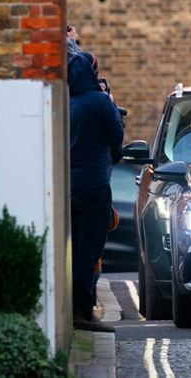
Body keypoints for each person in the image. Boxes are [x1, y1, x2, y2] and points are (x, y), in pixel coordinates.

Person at [68, 51, 124, 331]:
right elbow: (117, 137)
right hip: (94, 184)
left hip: (70, 185)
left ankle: (77, 309)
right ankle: (83, 312)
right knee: (90, 251)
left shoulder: (68, 101)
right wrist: (111, 104)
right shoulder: (98, 101)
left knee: (75, 248)